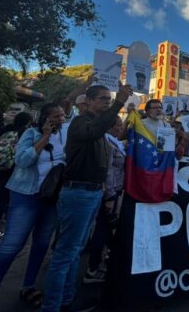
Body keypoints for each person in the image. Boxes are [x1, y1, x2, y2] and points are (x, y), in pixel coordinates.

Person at [42, 84, 131, 312]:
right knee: (65, 253)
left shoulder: (98, 127)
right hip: (78, 193)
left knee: (75, 250)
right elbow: (95, 131)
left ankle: (67, 299)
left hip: (92, 193)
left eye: (109, 99)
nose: (107, 102)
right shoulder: (82, 123)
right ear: (88, 101)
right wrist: (120, 103)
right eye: (103, 99)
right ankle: (51, 306)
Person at [0, 104, 67, 312]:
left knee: (41, 244)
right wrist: (44, 138)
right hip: (26, 196)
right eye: (56, 116)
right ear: (45, 118)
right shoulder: (31, 133)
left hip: (51, 198)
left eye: (63, 115)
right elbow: (22, 161)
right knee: (10, 248)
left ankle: (28, 286)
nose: (61, 119)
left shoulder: (64, 135)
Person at [83, 116, 126, 284]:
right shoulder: (107, 142)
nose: (121, 128)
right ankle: (93, 269)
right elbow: (107, 170)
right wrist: (110, 195)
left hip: (113, 191)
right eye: (118, 125)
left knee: (107, 231)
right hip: (110, 193)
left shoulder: (114, 141)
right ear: (109, 127)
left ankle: (103, 263)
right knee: (102, 230)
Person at [0, 112, 33, 243]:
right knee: (2, 198)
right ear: (28, 122)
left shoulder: (7, 129)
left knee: (4, 195)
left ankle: (3, 217)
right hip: (8, 169)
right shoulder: (25, 133)